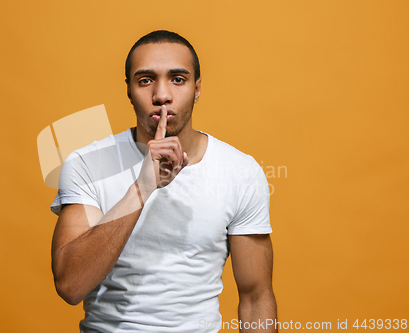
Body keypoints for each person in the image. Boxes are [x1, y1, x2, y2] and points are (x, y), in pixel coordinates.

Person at [50, 30, 277, 333]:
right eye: (145, 80)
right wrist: (142, 189)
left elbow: (256, 297)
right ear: (129, 90)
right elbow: (70, 285)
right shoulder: (88, 164)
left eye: (177, 79)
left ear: (197, 89)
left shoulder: (240, 171)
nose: (161, 95)